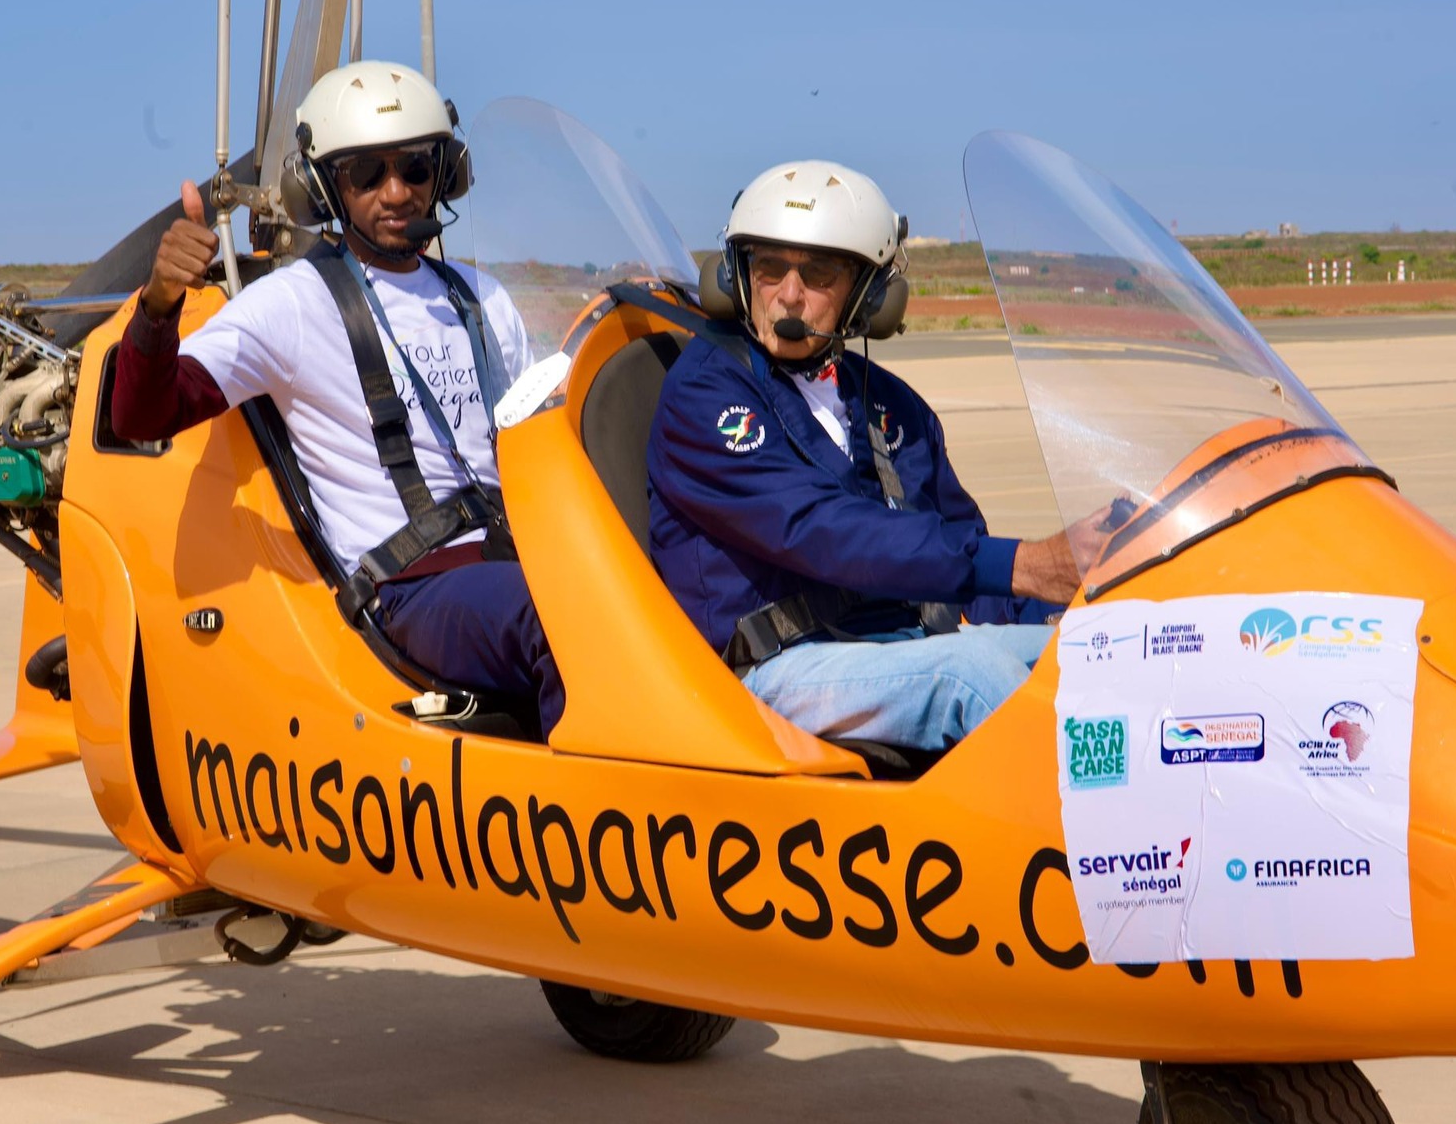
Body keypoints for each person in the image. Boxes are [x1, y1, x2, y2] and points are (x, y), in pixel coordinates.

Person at [110, 60, 563, 736]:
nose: (396, 191)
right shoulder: (293, 305)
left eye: (415, 168)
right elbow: (142, 416)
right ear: (324, 187)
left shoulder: (483, 296)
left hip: (518, 557)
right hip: (412, 589)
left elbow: (541, 439)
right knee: (564, 614)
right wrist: (158, 304)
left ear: (446, 173)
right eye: (366, 174)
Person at [646, 159, 1098, 754]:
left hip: (891, 645)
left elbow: (961, 548)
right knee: (966, 676)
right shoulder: (706, 396)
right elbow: (819, 529)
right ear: (736, 277)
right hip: (769, 673)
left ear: (868, 293)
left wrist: (1076, 594)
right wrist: (1023, 561)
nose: (788, 294)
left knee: (1096, 653)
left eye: (818, 274)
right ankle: (1089, 838)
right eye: (769, 267)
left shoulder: (889, 405)